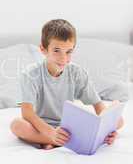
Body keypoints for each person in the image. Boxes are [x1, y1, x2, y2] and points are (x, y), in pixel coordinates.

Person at [10, 19, 124, 150]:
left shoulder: (77, 73)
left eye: (68, 52)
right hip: (41, 126)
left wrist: (107, 130)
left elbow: (98, 105)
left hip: (70, 127)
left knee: (119, 120)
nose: (63, 58)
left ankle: (57, 141)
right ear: (43, 49)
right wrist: (51, 133)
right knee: (16, 125)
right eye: (57, 50)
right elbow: (27, 113)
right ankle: (56, 140)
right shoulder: (30, 75)